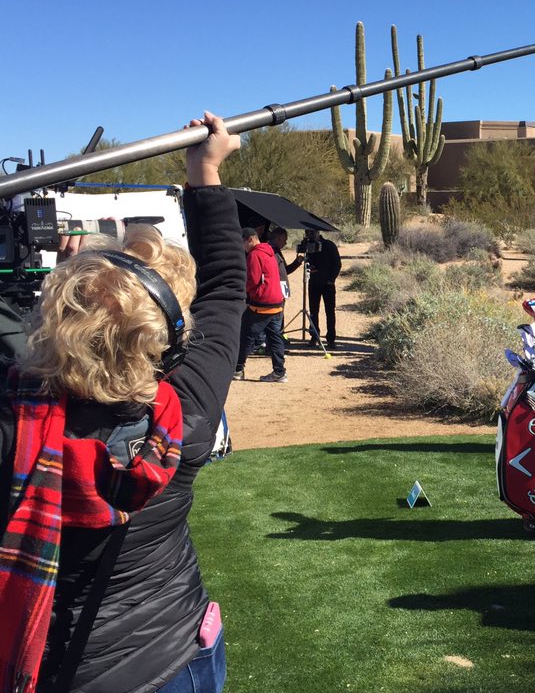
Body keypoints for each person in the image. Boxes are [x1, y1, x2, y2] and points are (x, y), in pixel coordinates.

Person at [0, 111, 244, 692]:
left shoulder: (17, 421)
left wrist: (75, 287)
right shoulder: (188, 410)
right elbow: (227, 283)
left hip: (54, 670)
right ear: (170, 339)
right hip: (175, 655)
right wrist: (204, 171)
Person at [234, 228, 287, 383]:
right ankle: (280, 372)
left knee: (246, 336)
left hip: (262, 303)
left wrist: (245, 294)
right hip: (277, 302)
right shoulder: (270, 252)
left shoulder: (255, 255)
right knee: (275, 337)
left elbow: (253, 280)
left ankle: (237, 369)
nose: (243, 247)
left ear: (250, 239)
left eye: (243, 243)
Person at [301, 229, 340, 349]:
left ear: (317, 233)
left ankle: (331, 339)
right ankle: (314, 336)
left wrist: (331, 279)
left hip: (327, 284)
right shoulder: (309, 246)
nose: (310, 236)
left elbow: (337, 264)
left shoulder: (329, 245)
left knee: (330, 312)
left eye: (312, 233)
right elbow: (308, 262)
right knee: (313, 311)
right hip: (314, 283)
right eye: (307, 233)